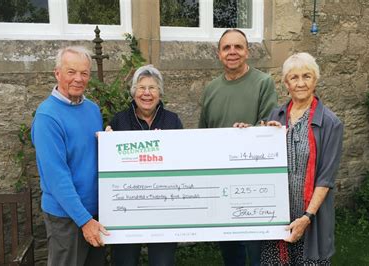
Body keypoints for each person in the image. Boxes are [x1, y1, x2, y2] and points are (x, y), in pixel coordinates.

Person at [198, 29, 278, 266]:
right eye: (226, 48)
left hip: (253, 183)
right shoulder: (211, 89)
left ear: (247, 52)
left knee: (256, 249)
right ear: (219, 54)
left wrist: (250, 132)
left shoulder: (264, 83)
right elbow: (203, 135)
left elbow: (268, 128)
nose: (232, 52)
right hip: (220, 183)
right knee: (229, 248)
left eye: (238, 47)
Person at [260, 52, 343, 264]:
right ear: (286, 83)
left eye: (307, 76)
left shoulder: (330, 123)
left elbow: (326, 178)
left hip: (311, 216)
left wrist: (307, 217)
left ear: (315, 80)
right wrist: (258, 135)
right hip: (277, 213)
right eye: (294, 77)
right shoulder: (275, 116)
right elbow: (260, 160)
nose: (300, 83)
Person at [32, 46, 109, 266]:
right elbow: (57, 178)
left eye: (84, 73)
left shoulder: (92, 109)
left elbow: (89, 157)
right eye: (71, 72)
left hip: (94, 213)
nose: (78, 78)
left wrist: (108, 143)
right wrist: (84, 220)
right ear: (58, 73)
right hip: (66, 217)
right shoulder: (48, 116)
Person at [107, 65, 183, 266]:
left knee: (163, 262)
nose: (147, 93)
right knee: (124, 260)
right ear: (133, 92)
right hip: (127, 207)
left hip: (164, 206)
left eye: (152, 88)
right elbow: (109, 162)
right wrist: (107, 142)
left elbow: (183, 158)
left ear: (160, 93)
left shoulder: (172, 121)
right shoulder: (119, 121)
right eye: (141, 88)